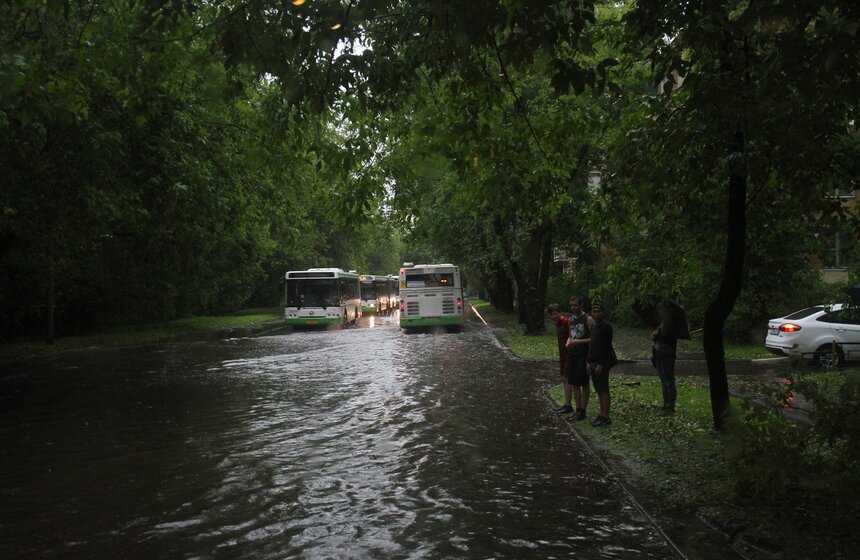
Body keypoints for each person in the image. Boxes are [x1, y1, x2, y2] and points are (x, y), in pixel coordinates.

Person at [586, 301, 615, 427]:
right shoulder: (594, 326)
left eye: (599, 311)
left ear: (603, 312)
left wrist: (601, 364)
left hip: (601, 363)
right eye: (594, 312)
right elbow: (592, 345)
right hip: (592, 361)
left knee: (604, 389)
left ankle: (605, 416)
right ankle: (601, 413)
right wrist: (588, 361)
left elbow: (606, 347)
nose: (597, 314)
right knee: (598, 388)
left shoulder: (606, 327)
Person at [564, 295, 593, 420]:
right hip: (572, 354)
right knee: (574, 383)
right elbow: (571, 335)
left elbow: (593, 339)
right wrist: (568, 342)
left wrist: (578, 342)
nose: (573, 308)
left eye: (575, 305)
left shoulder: (588, 319)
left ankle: (583, 410)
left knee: (584, 383)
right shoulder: (570, 320)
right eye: (571, 306)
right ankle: (578, 410)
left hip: (584, 355)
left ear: (581, 305)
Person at [651, 303, 679, 414]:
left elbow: (663, 334)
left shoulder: (670, 323)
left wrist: (656, 333)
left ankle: (670, 406)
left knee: (668, 381)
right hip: (659, 354)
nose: (659, 312)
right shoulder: (661, 323)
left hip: (666, 355)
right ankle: (666, 404)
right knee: (664, 381)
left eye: (661, 310)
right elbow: (653, 338)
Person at [547, 303, 571, 414]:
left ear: (560, 312)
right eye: (551, 315)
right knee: (564, 379)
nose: (553, 316)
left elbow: (571, 336)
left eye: (555, 314)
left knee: (567, 379)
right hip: (562, 354)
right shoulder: (557, 323)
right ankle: (567, 404)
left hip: (568, 354)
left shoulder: (566, 322)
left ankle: (568, 405)